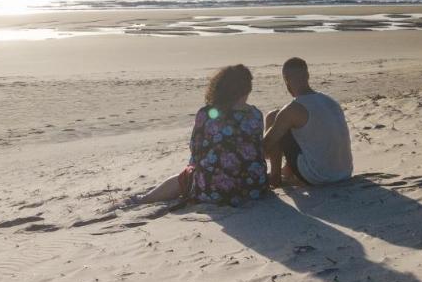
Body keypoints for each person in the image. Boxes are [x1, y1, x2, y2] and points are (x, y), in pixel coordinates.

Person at [131, 64, 268, 206]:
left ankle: (145, 199)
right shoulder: (256, 114)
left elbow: (196, 150)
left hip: (216, 190)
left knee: (186, 175)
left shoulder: (207, 113)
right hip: (255, 187)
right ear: (247, 89)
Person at [263, 57, 353, 187]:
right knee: (300, 130)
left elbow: (266, 146)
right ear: (307, 76)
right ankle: (288, 171)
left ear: (286, 79)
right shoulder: (330, 101)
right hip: (344, 172)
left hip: (319, 176)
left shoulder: (293, 108)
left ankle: (275, 176)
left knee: (273, 117)